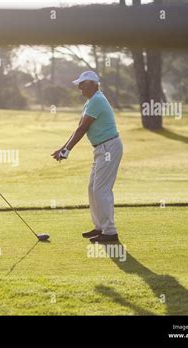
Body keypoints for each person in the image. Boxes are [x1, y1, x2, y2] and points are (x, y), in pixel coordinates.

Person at [51, 71, 123, 243]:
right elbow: (79, 127)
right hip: (101, 149)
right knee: (93, 188)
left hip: (109, 148)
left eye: (82, 84)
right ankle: (100, 227)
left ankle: (110, 231)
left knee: (101, 190)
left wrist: (66, 151)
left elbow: (83, 129)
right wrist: (63, 148)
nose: (79, 87)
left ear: (92, 83)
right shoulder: (92, 101)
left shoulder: (97, 100)